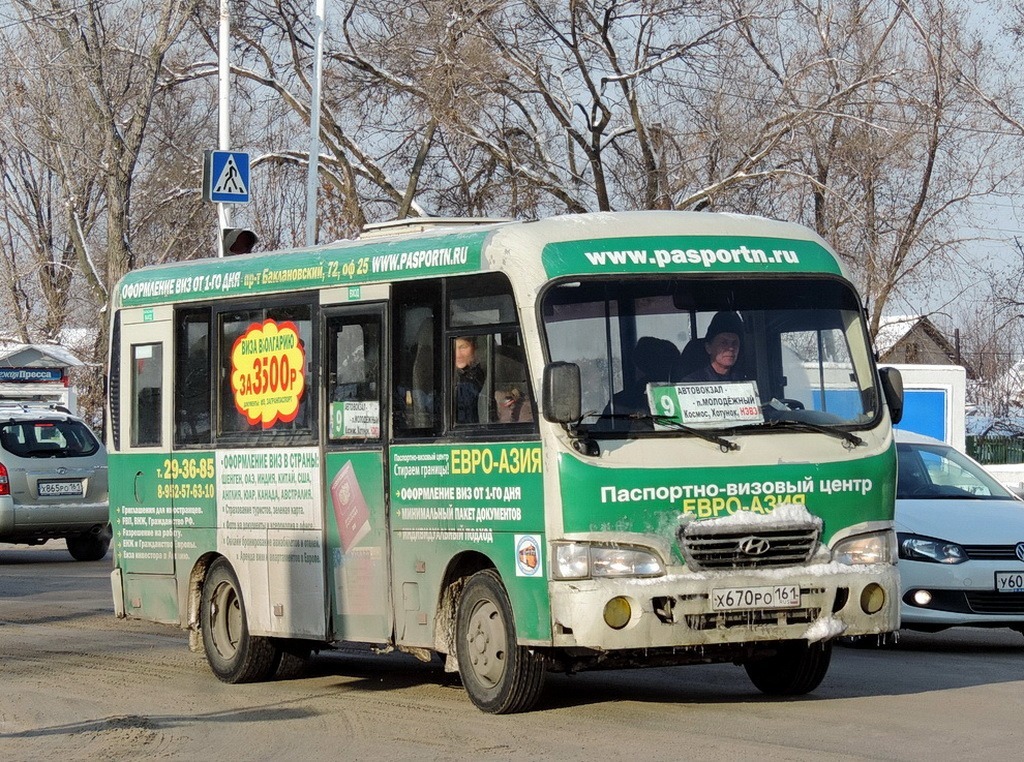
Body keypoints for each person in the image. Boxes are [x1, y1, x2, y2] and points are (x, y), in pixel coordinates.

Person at [684, 311, 744, 383]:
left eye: (734, 343)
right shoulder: (691, 383)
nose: (731, 348)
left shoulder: (745, 380)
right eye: (724, 343)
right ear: (708, 348)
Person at [454, 336, 486, 423]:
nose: (458, 354)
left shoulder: (484, 373)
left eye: (463, 347)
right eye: (453, 347)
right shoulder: (443, 377)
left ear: (474, 347)